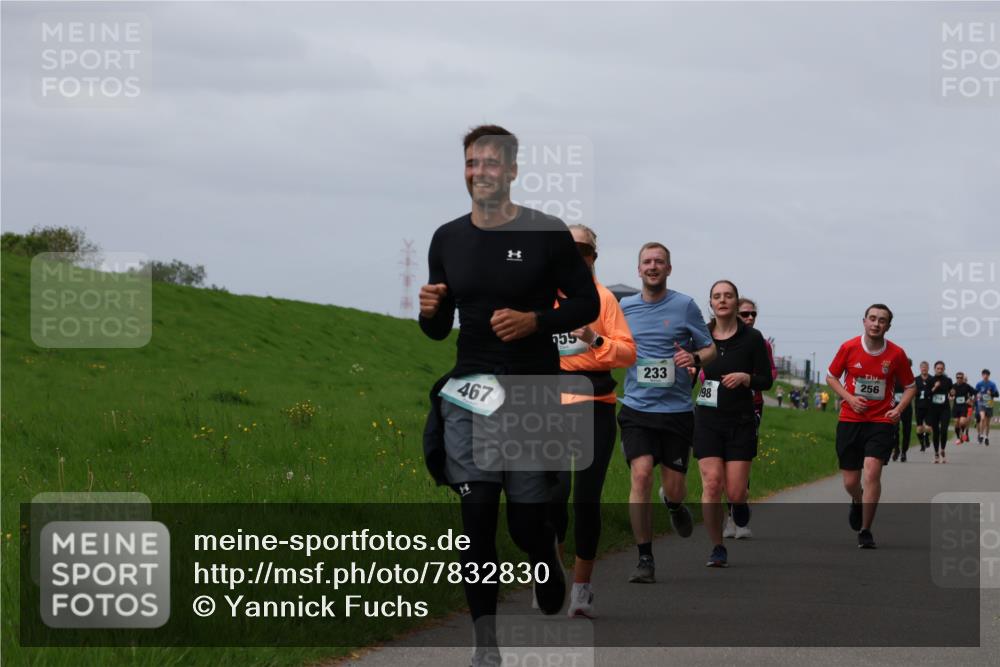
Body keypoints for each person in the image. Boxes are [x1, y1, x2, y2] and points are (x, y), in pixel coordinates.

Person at [419, 125, 600, 666]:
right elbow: (437, 328)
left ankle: (544, 550)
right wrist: (429, 312)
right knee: (476, 516)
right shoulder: (446, 238)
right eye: (472, 163)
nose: (480, 173)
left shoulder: (546, 233)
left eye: (491, 163)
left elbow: (587, 304)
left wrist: (536, 320)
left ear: (513, 170)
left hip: (529, 391)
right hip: (470, 389)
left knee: (525, 521)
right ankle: (485, 644)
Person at [548, 224, 636, 618]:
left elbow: (628, 353)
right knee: (552, 493)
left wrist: (595, 340)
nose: (574, 253)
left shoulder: (603, 301)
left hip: (595, 405)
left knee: (585, 496)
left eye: (582, 247)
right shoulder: (539, 296)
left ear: (593, 256)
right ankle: (553, 575)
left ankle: (581, 589)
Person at [618, 242, 716, 583]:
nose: (653, 266)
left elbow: (710, 348)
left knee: (674, 487)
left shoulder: (685, 305)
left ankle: (673, 504)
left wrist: (695, 359)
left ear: (669, 269)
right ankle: (645, 558)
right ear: (639, 269)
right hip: (636, 408)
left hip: (675, 412)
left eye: (660, 261)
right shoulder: (625, 307)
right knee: (641, 474)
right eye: (647, 261)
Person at [694, 281, 773, 567]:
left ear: (737, 303)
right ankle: (717, 547)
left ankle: (739, 506)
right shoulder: (700, 335)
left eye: (728, 296)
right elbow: (688, 372)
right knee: (712, 484)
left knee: (736, 491)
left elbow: (767, 380)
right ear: (711, 303)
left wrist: (746, 378)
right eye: (717, 296)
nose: (723, 300)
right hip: (706, 418)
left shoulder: (753, 338)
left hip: (740, 419)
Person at [826, 304, 915, 549]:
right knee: (850, 482)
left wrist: (898, 409)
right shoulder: (849, 347)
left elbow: (910, 386)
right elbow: (831, 377)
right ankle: (857, 499)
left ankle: (866, 530)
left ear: (888, 326)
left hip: (881, 421)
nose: (876, 324)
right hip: (850, 420)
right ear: (864, 321)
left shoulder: (896, 354)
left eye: (882, 320)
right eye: (872, 319)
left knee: (872, 471)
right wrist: (850, 398)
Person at [718, 298, 776, 540]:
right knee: (717, 466)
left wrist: (747, 377)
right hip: (717, 407)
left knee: (740, 460)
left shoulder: (760, 342)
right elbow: (704, 371)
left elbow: (770, 374)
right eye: (745, 314)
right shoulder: (715, 338)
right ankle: (727, 516)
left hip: (751, 406)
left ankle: (736, 514)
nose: (750, 318)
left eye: (753, 314)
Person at [927, 361, 953, 463]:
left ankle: (942, 450)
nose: (940, 370)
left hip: (945, 409)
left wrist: (952, 393)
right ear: (934, 369)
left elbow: (951, 393)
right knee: (936, 432)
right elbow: (927, 394)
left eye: (941, 368)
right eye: (938, 368)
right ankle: (936, 453)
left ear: (944, 369)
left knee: (944, 430)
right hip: (933, 409)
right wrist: (935, 387)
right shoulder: (930, 380)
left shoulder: (948, 380)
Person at [891, 358, 915, 462]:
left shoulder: (911, 379)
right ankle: (896, 449)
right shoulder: (893, 377)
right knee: (894, 430)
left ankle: (904, 452)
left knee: (906, 430)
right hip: (894, 407)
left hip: (906, 407)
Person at [913, 361, 934, 452]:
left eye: (925, 367)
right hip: (919, 406)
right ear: (920, 368)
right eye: (922, 367)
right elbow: (912, 391)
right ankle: (922, 444)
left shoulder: (932, 379)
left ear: (928, 368)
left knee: (929, 428)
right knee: (919, 428)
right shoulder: (916, 379)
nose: (924, 369)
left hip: (929, 406)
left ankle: (926, 438)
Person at [951, 372, 976, 445]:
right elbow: (949, 395)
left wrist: (971, 400)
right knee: (956, 423)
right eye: (957, 378)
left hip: (964, 407)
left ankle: (964, 433)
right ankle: (958, 437)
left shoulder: (967, 386)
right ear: (956, 378)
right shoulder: (953, 386)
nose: (959, 379)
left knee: (963, 422)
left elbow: (975, 393)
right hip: (956, 407)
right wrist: (951, 396)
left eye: (961, 378)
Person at [974, 369, 998, 445]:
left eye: (987, 374)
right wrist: (977, 395)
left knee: (987, 423)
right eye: (984, 374)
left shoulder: (992, 384)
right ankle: (980, 435)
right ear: (982, 375)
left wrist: (991, 394)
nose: (985, 376)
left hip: (989, 403)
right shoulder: (979, 384)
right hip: (981, 403)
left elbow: (997, 394)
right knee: (982, 418)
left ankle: (986, 437)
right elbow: (975, 393)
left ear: (989, 375)